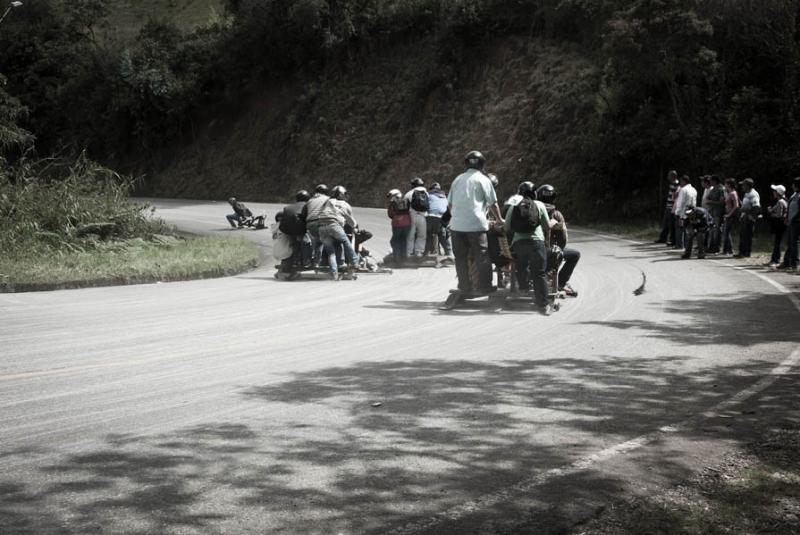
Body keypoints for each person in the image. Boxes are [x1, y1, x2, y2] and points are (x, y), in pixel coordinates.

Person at [448, 150, 504, 296]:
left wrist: (457, 217)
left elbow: (450, 205)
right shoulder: (484, 180)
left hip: (456, 226)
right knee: (482, 256)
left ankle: (464, 286)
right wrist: (499, 220)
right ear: (482, 164)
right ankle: (484, 286)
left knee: (460, 257)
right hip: (476, 226)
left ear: (466, 163)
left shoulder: (457, 179)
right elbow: (493, 203)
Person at [504, 180, 555, 315]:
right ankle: (543, 305)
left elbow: (507, 227)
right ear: (534, 193)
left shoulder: (513, 205)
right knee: (539, 273)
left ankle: (524, 288)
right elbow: (546, 226)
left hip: (519, 243)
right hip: (536, 243)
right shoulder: (539, 205)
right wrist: (553, 222)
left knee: (521, 266)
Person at [537, 184, 580, 297]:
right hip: (551, 254)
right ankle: (561, 283)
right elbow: (564, 239)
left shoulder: (532, 211)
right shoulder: (556, 214)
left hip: (530, 252)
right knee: (575, 254)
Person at [276, 190, 312, 276]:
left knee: (295, 244)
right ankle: (306, 260)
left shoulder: (287, 207)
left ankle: (295, 261)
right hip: (299, 229)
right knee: (308, 242)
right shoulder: (307, 206)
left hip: (286, 230)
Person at [735, 178, 761, 258]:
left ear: (747, 186)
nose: (742, 187)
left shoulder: (753, 194)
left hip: (749, 218)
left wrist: (748, 213)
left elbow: (756, 207)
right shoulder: (747, 194)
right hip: (744, 217)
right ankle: (742, 251)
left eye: (743, 185)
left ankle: (746, 252)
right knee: (742, 235)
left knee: (747, 235)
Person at [425, 182, 451, 257]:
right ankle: (449, 252)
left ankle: (427, 253)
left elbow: (426, 207)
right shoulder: (444, 196)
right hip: (444, 217)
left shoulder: (429, 195)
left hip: (432, 216)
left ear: (432, 189)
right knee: (442, 235)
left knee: (429, 234)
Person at [405, 177, 428, 258]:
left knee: (410, 235)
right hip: (422, 216)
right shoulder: (426, 193)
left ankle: (409, 252)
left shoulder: (409, 193)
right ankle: (419, 252)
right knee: (421, 235)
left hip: (411, 215)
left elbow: (405, 205)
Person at [780, 177, 800, 271]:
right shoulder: (794, 195)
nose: (792, 186)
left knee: (795, 243)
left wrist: (793, 219)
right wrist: (787, 217)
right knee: (790, 242)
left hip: (796, 223)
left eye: (793, 184)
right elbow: (789, 207)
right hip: (791, 222)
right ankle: (787, 262)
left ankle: (794, 263)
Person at [766, 184, 788, 267]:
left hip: (779, 225)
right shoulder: (783, 200)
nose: (773, 192)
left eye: (774, 191)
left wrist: (771, 211)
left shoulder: (780, 202)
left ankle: (776, 260)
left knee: (777, 243)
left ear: (778, 193)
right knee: (776, 242)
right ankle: (774, 259)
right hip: (780, 225)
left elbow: (779, 215)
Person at [387, 189, 411, 264]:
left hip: (397, 223)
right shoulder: (407, 201)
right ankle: (405, 258)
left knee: (395, 241)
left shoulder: (392, 203)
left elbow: (390, 214)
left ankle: (397, 259)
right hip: (407, 223)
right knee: (404, 240)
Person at [673, 175, 697, 249]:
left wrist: (677, 212)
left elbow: (681, 202)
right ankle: (688, 245)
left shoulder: (683, 190)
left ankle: (679, 244)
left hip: (683, 212)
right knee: (689, 229)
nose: (680, 183)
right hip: (691, 211)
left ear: (684, 181)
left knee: (679, 228)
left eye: (681, 181)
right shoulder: (694, 189)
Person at [656, 171, 679, 245]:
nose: (668, 177)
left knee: (670, 224)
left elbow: (676, 196)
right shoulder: (672, 184)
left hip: (672, 207)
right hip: (668, 205)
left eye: (669, 176)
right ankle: (663, 238)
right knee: (665, 223)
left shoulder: (677, 184)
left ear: (673, 176)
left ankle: (671, 239)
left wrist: (673, 206)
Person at [706, 175, 725, 254]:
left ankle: (716, 247)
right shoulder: (713, 189)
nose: (709, 182)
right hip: (712, 212)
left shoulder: (721, 189)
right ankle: (711, 246)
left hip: (718, 212)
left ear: (715, 181)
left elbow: (721, 202)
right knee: (712, 230)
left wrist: (711, 202)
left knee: (717, 230)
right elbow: (708, 197)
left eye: (711, 180)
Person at [721, 178, 740, 255]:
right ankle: (728, 249)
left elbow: (736, 205)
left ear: (729, 185)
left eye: (725, 184)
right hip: (727, 214)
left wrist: (729, 214)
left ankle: (727, 250)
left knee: (726, 232)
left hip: (731, 215)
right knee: (726, 232)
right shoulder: (728, 193)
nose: (724, 185)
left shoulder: (733, 193)